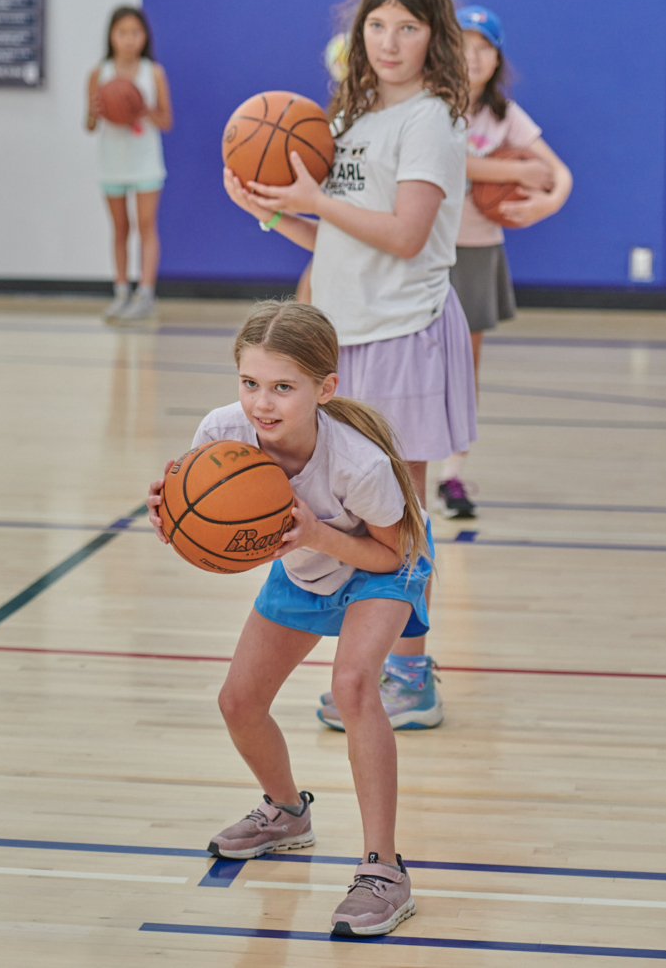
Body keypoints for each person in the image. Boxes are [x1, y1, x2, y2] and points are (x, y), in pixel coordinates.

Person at [223, 0, 474, 731]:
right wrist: (273, 212)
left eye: (407, 27)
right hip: (346, 333)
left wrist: (311, 199)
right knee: (358, 508)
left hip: (404, 331)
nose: (388, 42)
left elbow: (403, 237)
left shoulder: (429, 119)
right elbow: (337, 239)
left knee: (401, 513)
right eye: (376, 25)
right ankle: (381, 663)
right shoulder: (352, 121)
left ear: (433, 37)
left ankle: (411, 674)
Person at [147, 301, 432, 937]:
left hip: (382, 563)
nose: (262, 403)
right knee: (238, 701)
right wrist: (176, 518)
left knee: (354, 687)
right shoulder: (222, 431)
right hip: (305, 562)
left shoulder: (360, 463)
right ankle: (286, 812)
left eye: (283, 388)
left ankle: (384, 870)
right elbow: (204, 513)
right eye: (250, 383)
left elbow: (391, 554)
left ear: (325, 388)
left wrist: (319, 535)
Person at [436, 6, 572, 518]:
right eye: (463, 45)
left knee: (464, 368)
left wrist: (546, 204)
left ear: (497, 59)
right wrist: (514, 171)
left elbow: (559, 174)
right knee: (414, 363)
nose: (473, 57)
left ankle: (451, 476)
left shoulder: (505, 115)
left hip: (477, 249)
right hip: (423, 248)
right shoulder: (431, 104)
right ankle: (400, 468)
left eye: (484, 48)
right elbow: (450, 159)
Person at [86, 6, 172, 322]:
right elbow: (89, 125)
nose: (128, 39)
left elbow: (166, 121)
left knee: (145, 226)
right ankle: (121, 293)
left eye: (135, 32)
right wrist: (96, 112)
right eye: (122, 32)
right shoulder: (99, 73)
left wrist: (143, 109)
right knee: (120, 228)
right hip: (112, 162)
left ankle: (145, 293)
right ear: (112, 36)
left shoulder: (154, 72)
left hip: (146, 162)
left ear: (144, 36)